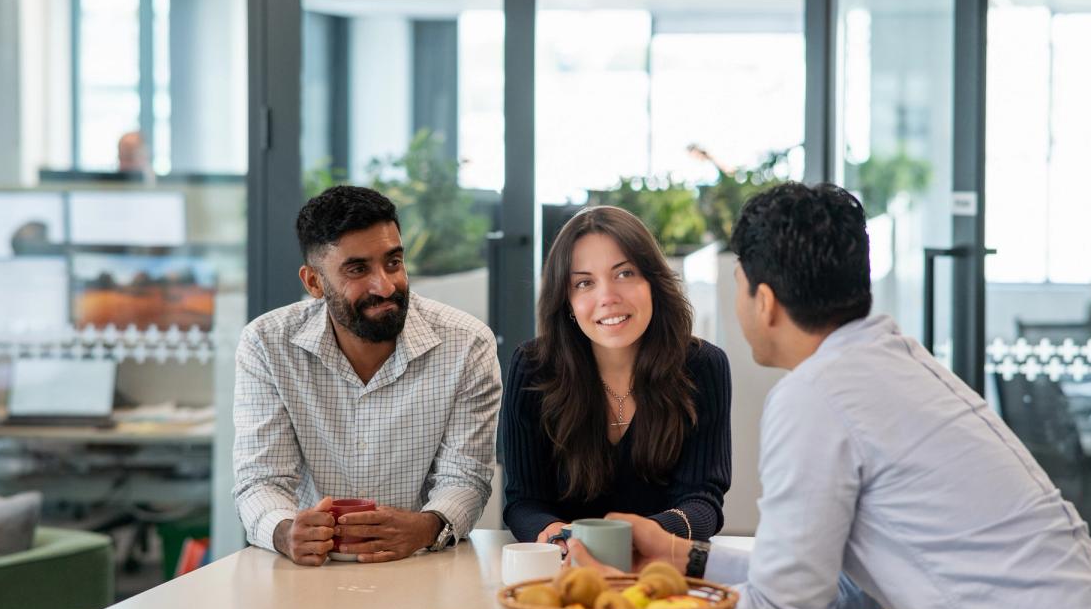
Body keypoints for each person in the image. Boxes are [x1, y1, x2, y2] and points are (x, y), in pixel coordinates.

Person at [569, 183, 1091, 609]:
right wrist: (678, 556)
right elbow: (854, 591)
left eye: (738, 285)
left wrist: (631, 602)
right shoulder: (897, 359)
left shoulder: (815, 394)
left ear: (765, 300)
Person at [232, 185, 501, 566]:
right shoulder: (267, 344)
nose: (385, 285)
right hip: (310, 571)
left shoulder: (467, 345)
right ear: (313, 282)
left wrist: (425, 526)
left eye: (393, 262)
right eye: (358, 269)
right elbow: (261, 481)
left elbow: (466, 479)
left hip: (421, 564)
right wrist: (285, 531)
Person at [501, 206, 732, 545]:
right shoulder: (533, 367)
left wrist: (632, 540)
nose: (607, 297)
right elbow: (524, 502)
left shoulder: (702, 366)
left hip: (663, 571)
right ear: (567, 300)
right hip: (564, 572)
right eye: (584, 283)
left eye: (624, 274)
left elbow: (702, 501)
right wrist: (557, 537)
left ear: (652, 281)